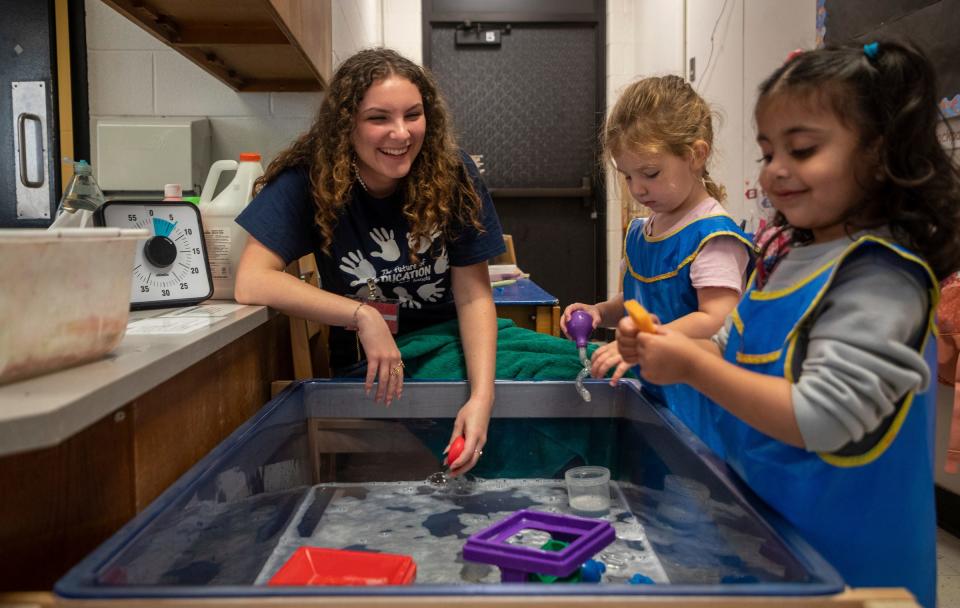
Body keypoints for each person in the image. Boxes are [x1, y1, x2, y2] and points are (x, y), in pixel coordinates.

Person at [617, 40, 960, 608]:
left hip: (851, 566)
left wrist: (690, 368)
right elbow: (733, 343)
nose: (776, 171)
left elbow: (821, 417)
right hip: (775, 532)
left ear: (879, 153)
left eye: (801, 150)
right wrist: (659, 342)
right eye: (768, 151)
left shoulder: (879, 277)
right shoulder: (789, 254)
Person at [234, 48, 505, 477]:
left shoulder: (453, 173)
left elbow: (473, 297)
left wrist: (482, 397)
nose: (400, 133)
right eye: (379, 118)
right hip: (372, 364)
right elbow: (251, 281)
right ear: (347, 126)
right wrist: (362, 315)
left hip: (451, 342)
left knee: (560, 372)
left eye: (413, 115)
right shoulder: (309, 179)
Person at [562, 75, 753, 450]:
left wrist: (642, 343)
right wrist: (601, 311)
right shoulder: (641, 232)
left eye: (650, 173)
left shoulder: (711, 236)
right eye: (627, 176)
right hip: (649, 390)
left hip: (696, 403)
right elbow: (637, 304)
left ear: (696, 155)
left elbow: (718, 318)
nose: (637, 189)